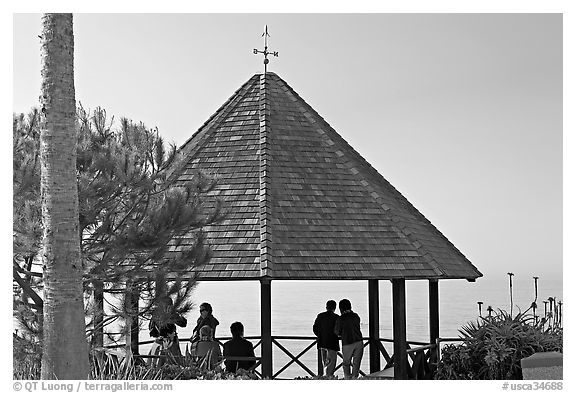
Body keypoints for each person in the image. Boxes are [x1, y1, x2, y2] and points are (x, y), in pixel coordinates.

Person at [147, 296, 187, 366]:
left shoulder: (157, 314)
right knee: (173, 363)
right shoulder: (169, 314)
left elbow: (151, 328)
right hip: (168, 342)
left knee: (155, 364)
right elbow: (183, 323)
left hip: (159, 341)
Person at [334, 298, 364, 379]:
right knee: (356, 363)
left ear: (341, 308)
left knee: (346, 363)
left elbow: (337, 332)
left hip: (347, 342)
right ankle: (355, 377)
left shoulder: (341, 319)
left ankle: (347, 378)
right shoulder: (356, 316)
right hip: (359, 341)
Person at [313, 300, 340, 376]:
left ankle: (325, 377)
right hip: (332, 343)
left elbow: (315, 328)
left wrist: (320, 336)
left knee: (325, 362)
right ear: (335, 308)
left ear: (326, 307)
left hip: (322, 342)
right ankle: (328, 378)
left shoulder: (320, 316)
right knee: (331, 364)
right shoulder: (337, 317)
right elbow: (339, 330)